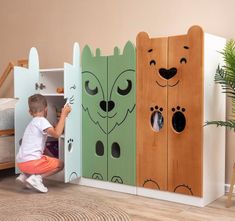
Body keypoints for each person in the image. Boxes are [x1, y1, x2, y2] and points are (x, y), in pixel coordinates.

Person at [16, 94, 71, 193]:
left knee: (44, 157)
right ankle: (37, 178)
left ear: (30, 112)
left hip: (21, 164)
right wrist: (63, 115)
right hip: (31, 163)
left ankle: (26, 176)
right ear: (46, 109)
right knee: (60, 164)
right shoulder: (42, 121)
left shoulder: (31, 124)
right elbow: (57, 134)